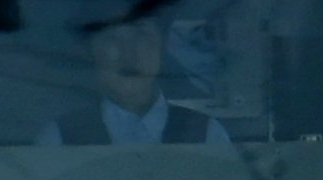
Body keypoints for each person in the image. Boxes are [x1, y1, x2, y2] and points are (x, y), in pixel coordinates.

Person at [38, 16, 230, 147]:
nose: (128, 52)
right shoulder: (60, 137)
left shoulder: (206, 134)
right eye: (111, 36)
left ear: (161, 46)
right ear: (91, 53)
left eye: (140, 33)